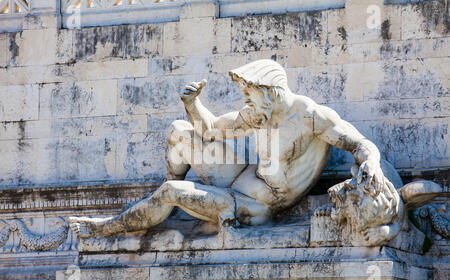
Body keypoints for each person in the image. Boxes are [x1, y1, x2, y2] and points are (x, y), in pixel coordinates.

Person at [69, 59, 386, 238]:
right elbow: (209, 130)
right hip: (239, 178)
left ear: (270, 92)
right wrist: (192, 105)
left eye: (249, 94)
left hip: (256, 203)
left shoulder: (312, 117)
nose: (245, 102)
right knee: (180, 132)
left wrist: (371, 161)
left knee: (170, 190)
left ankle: (107, 228)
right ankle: (161, 213)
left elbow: (359, 143)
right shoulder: (259, 113)